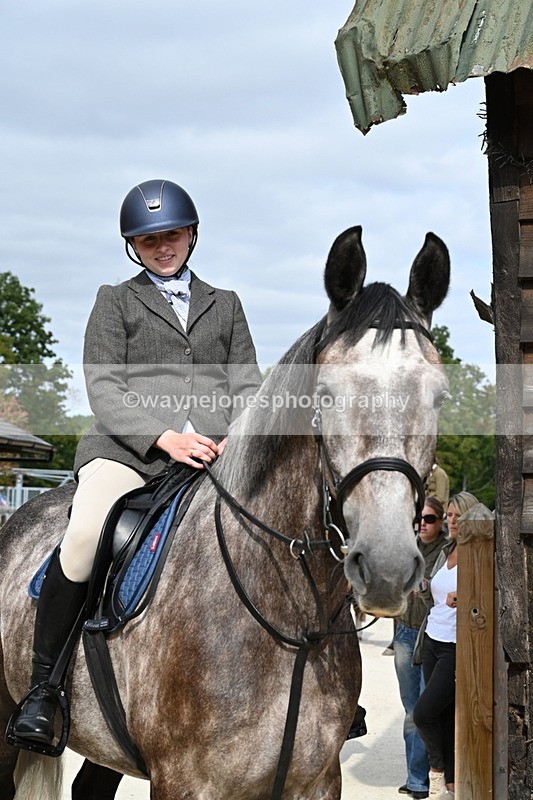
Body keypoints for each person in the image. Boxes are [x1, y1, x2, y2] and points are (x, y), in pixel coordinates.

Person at [11, 178, 263, 747]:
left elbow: (246, 383)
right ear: (134, 245)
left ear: (192, 234)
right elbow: (103, 387)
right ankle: (44, 689)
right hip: (130, 453)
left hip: (217, 455)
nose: (162, 246)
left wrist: (239, 441)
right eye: (149, 240)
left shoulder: (227, 305)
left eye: (171, 235)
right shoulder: (115, 300)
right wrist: (164, 439)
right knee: (81, 538)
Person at [412, 491, 479, 799]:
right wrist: (423, 587)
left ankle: (436, 772)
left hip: (454, 647)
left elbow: (487, 594)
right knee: (442, 715)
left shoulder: (479, 554)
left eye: (457, 516)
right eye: (449, 515)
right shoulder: (448, 550)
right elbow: (435, 598)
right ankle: (452, 785)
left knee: (423, 713)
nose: (451, 521)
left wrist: (465, 595)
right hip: (431, 640)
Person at [395, 497, 448, 799]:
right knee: (411, 709)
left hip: (432, 636)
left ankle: (427, 777)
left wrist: (424, 586)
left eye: (429, 518)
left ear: (440, 521)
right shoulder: (406, 547)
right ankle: (416, 777)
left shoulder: (447, 551)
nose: (423, 524)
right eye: (419, 519)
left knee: (427, 711)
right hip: (404, 631)